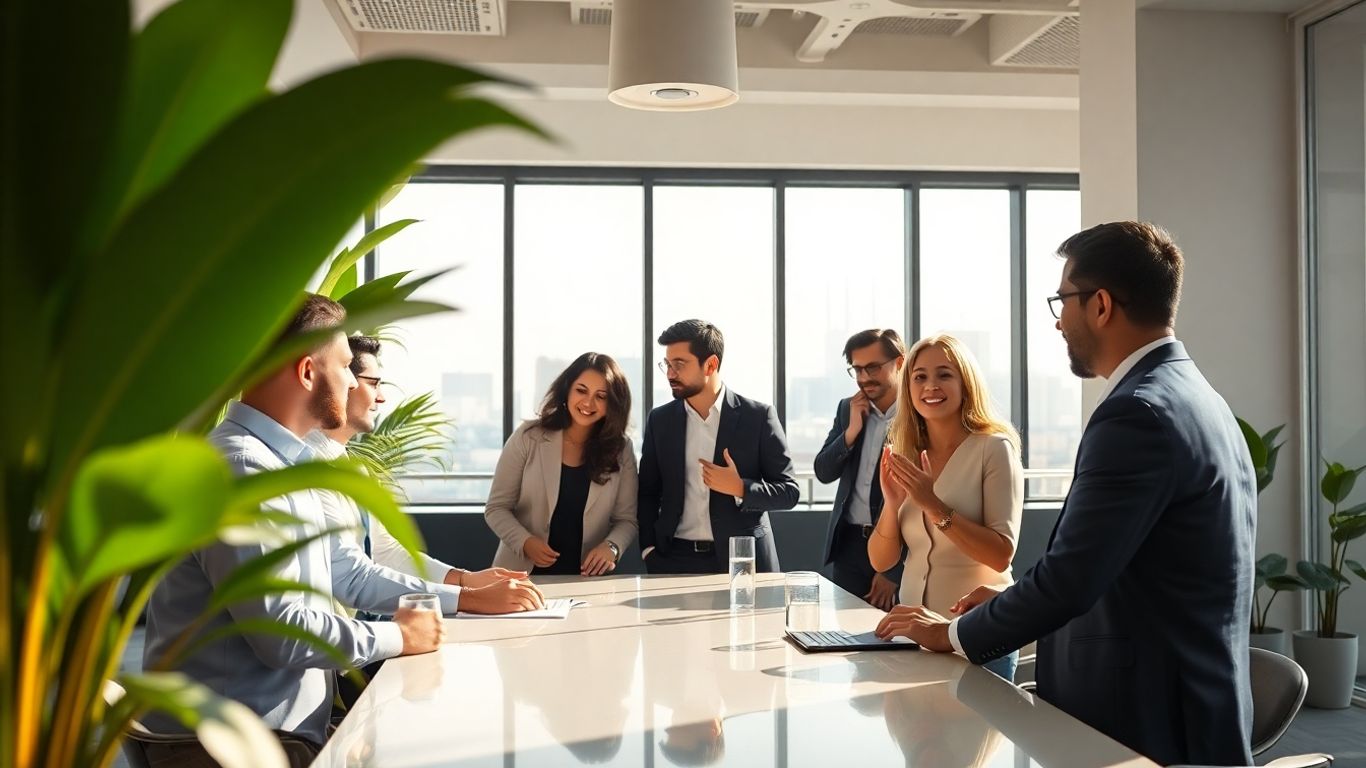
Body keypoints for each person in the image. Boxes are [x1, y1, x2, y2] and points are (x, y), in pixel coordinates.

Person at [875, 222, 1256, 766]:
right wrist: (1005, 602)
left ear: (1100, 305)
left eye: (1063, 301)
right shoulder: (1199, 397)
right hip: (1185, 704)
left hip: (1142, 721)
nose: (1058, 322)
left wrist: (954, 634)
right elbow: (1105, 564)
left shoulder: (1136, 413)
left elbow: (1069, 582)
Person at [142, 295, 540, 766]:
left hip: (280, 735)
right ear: (308, 372)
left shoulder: (279, 465)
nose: (354, 381)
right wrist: (399, 636)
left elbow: (346, 572)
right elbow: (281, 634)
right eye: (348, 366)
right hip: (236, 749)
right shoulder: (242, 471)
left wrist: (458, 598)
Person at [305, 335, 531, 591]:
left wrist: (466, 580)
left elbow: (385, 552)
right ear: (343, 381)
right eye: (374, 384)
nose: (381, 398)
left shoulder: (354, 469)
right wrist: (466, 597)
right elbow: (352, 575)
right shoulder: (306, 467)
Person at [866, 334, 1023, 681]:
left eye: (944, 375)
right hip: (912, 638)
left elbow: (1001, 555)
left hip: (977, 635)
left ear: (965, 384)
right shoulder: (904, 451)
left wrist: (933, 505)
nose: (930, 385)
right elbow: (881, 561)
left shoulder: (994, 449)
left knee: (975, 735)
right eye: (919, 376)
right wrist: (892, 506)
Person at [637, 320, 800, 574]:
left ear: (711, 364)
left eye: (679, 365)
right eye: (667, 365)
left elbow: (790, 492)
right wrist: (648, 549)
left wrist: (740, 488)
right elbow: (647, 491)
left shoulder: (758, 417)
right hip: (673, 559)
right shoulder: (660, 420)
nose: (670, 374)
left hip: (743, 561)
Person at [485, 352, 639, 576]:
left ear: (613, 403)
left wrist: (612, 547)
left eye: (601, 396)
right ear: (567, 390)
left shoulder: (621, 449)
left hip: (587, 578)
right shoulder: (529, 437)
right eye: (581, 390)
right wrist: (525, 541)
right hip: (520, 574)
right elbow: (496, 508)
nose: (588, 402)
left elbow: (626, 520)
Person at [814, 328, 907, 610]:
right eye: (857, 369)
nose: (864, 377)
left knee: (894, 644)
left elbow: (921, 502)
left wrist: (894, 571)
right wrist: (851, 432)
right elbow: (823, 471)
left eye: (873, 367)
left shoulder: (918, 415)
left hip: (896, 545)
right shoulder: (848, 409)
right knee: (846, 642)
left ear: (899, 362)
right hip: (849, 547)